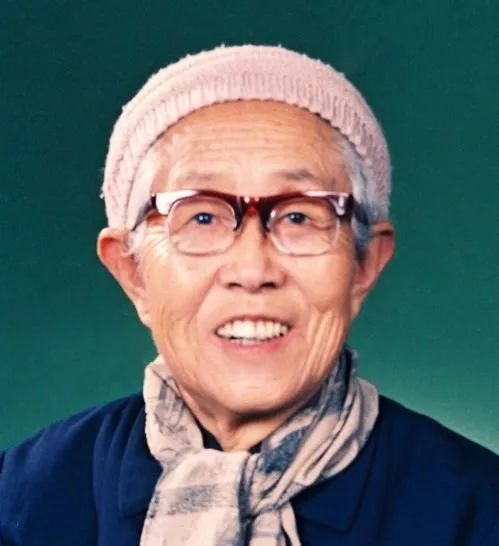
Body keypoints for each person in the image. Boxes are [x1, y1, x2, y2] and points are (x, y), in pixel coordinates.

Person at [0, 44, 497, 546]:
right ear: (133, 273)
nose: (253, 269)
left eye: (299, 216)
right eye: (201, 217)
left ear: (364, 265)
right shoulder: (24, 500)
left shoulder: (477, 510)